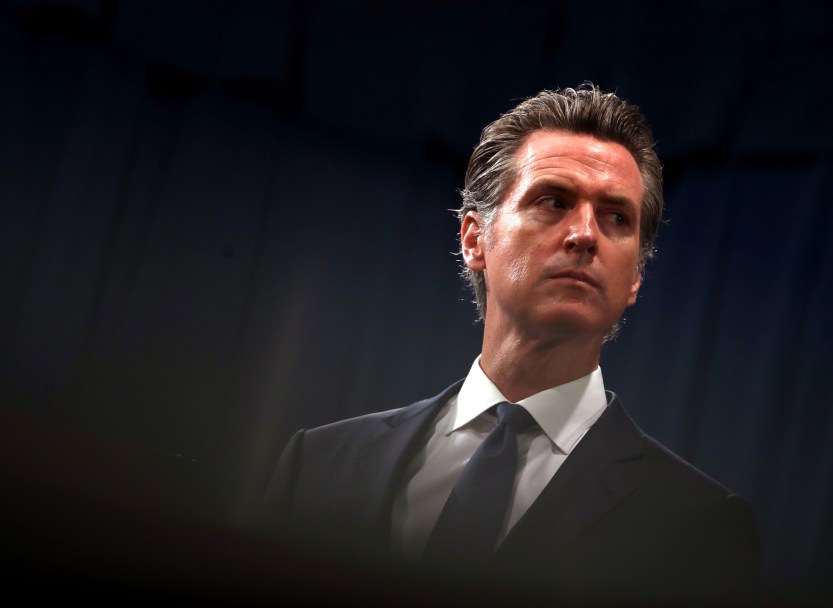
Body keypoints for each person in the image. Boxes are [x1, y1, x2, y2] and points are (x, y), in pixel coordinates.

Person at [259, 84, 760, 606]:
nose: (586, 234)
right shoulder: (318, 464)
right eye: (554, 201)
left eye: (616, 217)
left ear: (635, 276)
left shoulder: (699, 526)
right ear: (475, 239)